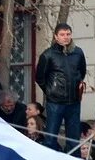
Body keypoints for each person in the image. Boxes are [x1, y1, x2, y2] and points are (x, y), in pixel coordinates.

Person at [35, 22, 87, 151]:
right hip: (55, 102)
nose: (66, 37)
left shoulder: (78, 52)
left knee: (73, 139)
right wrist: (50, 91)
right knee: (51, 137)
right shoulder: (48, 55)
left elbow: (82, 71)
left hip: (74, 102)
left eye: (68, 34)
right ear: (56, 36)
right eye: (62, 34)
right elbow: (39, 77)